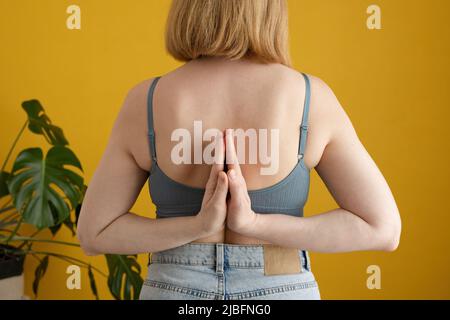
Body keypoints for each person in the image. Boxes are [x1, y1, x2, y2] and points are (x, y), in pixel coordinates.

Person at [77, 0, 401, 300]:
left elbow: (95, 233)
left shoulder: (146, 99)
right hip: (280, 283)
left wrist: (198, 227)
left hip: (175, 287)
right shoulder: (309, 97)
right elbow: (381, 228)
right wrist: (254, 224)